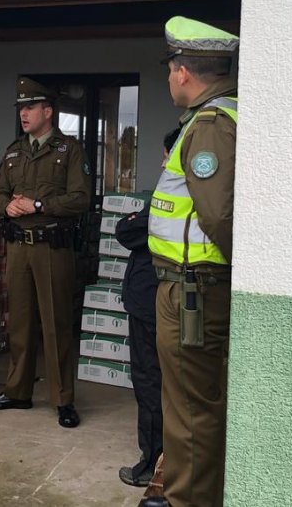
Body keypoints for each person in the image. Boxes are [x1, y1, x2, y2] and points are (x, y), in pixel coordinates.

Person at [144, 17, 239, 507]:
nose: (168, 80)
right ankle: (183, 491)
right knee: (186, 405)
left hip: (193, 291)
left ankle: (189, 501)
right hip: (190, 288)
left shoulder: (209, 126)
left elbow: (218, 215)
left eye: (169, 71)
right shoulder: (210, 121)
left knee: (191, 412)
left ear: (182, 72)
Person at [0, 77, 91, 428]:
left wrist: (39, 204)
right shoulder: (14, 151)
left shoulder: (68, 150)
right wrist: (6, 207)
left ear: (48, 111)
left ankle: (63, 399)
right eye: (21, 109)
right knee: (21, 323)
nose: (24, 114)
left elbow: (81, 198)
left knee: (56, 322)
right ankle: (17, 392)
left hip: (52, 248)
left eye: (30, 108)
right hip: (18, 248)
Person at [117, 128, 179, 488]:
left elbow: (128, 232)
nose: (162, 161)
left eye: (166, 154)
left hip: (151, 300)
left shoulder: (174, 193)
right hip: (155, 297)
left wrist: (133, 224)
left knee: (150, 380)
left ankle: (152, 463)